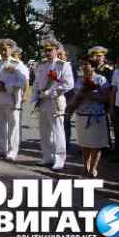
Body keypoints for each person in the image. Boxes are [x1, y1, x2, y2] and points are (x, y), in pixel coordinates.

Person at [33, 38, 74, 171]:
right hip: (43, 101)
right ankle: (47, 156)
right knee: (44, 131)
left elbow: (68, 84)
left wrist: (50, 92)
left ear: (57, 50)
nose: (47, 52)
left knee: (57, 131)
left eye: (50, 50)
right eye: (45, 50)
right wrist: (36, 96)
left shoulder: (63, 65)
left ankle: (59, 159)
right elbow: (36, 83)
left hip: (55, 101)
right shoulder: (41, 65)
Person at [69, 57, 110, 177]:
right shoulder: (79, 80)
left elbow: (106, 98)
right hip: (82, 115)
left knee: (96, 145)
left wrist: (91, 95)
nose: (84, 67)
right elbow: (76, 96)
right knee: (85, 144)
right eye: (83, 64)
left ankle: (93, 168)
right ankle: (85, 166)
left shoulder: (101, 79)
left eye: (86, 64)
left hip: (96, 116)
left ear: (93, 66)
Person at [0, 39, 24, 161]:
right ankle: (1, 149)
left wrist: (6, 86)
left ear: (11, 49)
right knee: (0, 125)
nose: (3, 52)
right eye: (1, 49)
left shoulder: (16, 64)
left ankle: (12, 151)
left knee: (13, 126)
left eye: (5, 49)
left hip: (11, 99)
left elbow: (21, 81)